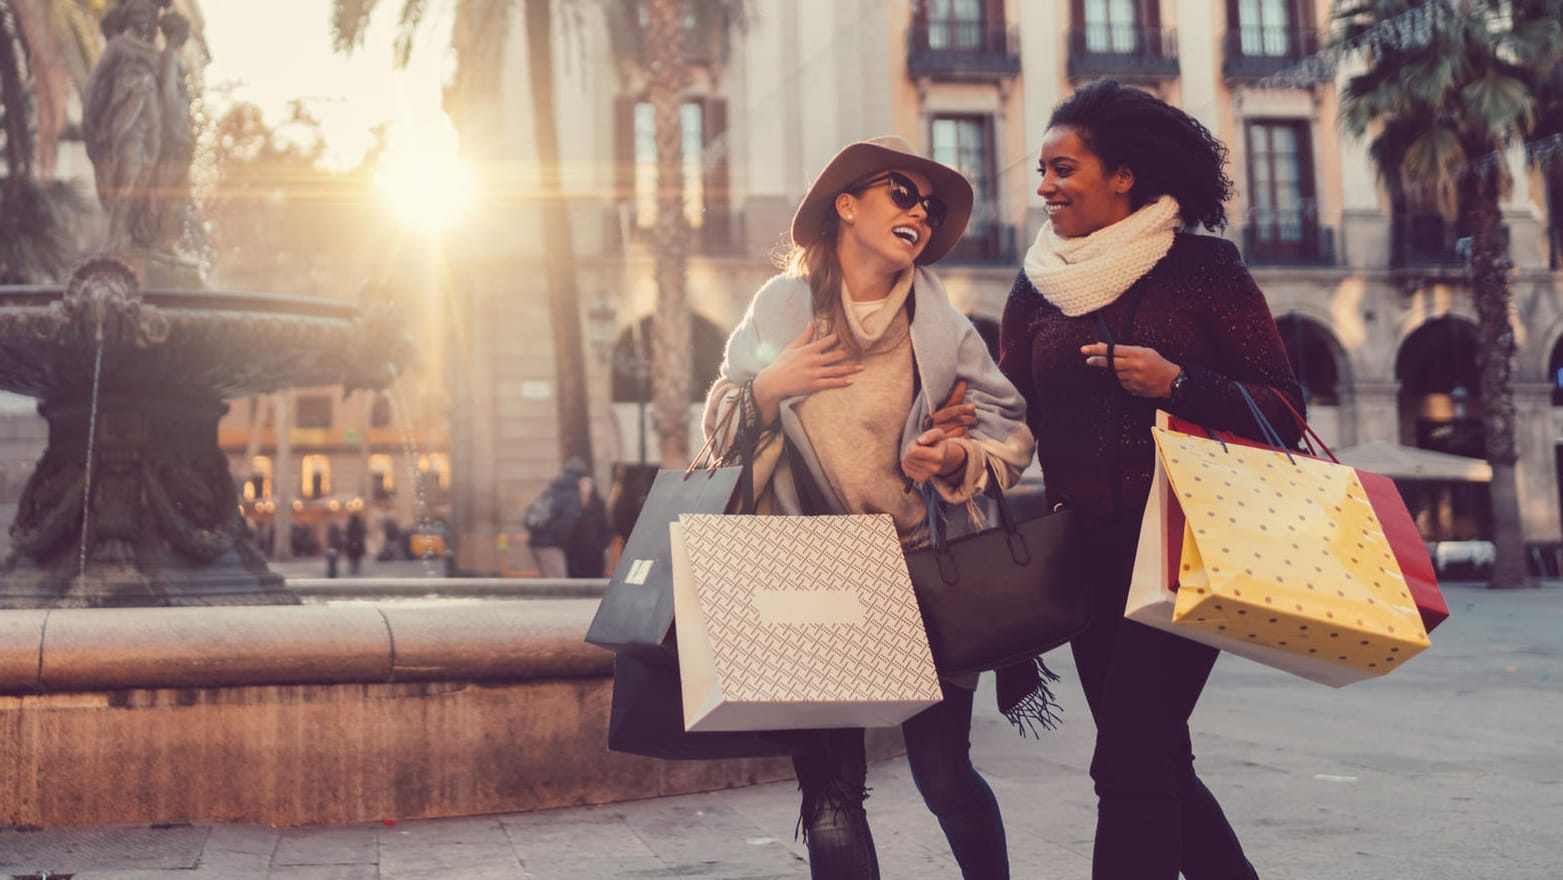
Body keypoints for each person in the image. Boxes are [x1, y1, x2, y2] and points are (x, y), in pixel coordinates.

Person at [703, 135, 1036, 880]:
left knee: (944, 776)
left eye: (931, 205)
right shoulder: (781, 306)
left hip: (922, 570)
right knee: (829, 793)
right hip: (809, 572)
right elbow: (721, 425)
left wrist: (949, 456)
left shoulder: (940, 320)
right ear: (846, 205)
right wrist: (765, 387)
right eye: (901, 193)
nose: (919, 211)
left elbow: (1006, 424)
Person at [998, 79, 1305, 880]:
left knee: (1126, 765)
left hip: (1185, 551)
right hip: (1087, 559)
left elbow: (1284, 410)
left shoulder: (1202, 269)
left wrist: (1177, 383)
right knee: (1158, 759)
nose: (1043, 187)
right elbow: (1011, 411)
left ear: (1123, 174)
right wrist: (959, 439)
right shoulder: (1036, 283)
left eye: (1062, 169)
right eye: (1041, 170)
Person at [524, 456, 587, 578]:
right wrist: (561, 542)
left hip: (537, 542)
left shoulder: (553, 489)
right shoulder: (571, 494)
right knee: (559, 584)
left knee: (549, 581)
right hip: (550, 545)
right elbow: (566, 523)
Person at [565, 475, 612, 578]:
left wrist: (600, 546)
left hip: (594, 553)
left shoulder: (599, 504)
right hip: (576, 554)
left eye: (587, 485)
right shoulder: (573, 504)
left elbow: (605, 527)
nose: (584, 488)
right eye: (582, 485)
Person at [345, 512, 367, 576]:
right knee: (357, 558)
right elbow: (363, 532)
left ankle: (353, 569)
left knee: (353, 558)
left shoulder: (350, 524)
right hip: (358, 544)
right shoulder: (360, 524)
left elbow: (347, 533)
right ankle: (356, 569)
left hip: (351, 544)